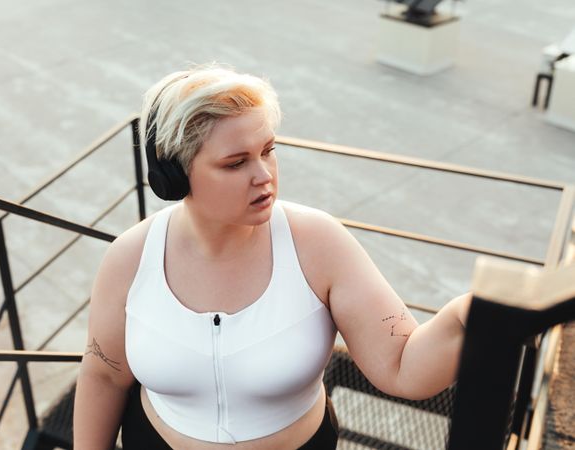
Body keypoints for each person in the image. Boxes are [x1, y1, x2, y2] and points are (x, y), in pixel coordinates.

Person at [73, 64, 471, 449]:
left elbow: (402, 366)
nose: (264, 175)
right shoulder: (130, 257)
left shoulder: (319, 243)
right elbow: (104, 376)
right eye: (236, 162)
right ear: (174, 175)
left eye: (268, 150)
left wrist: (464, 316)